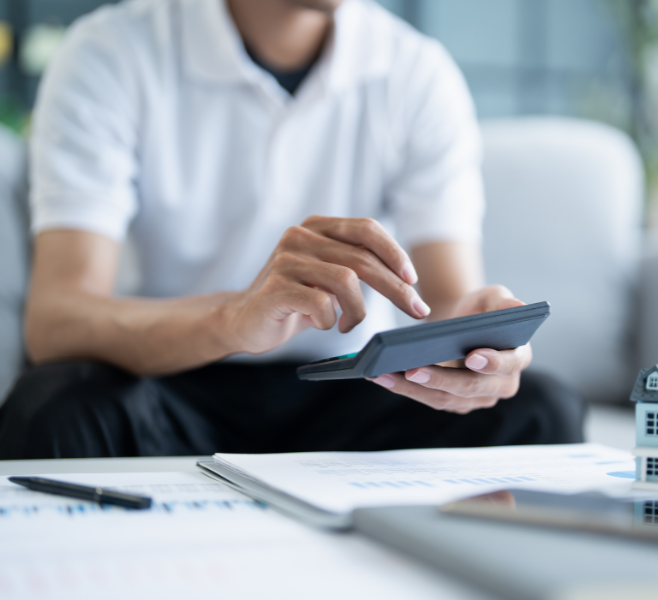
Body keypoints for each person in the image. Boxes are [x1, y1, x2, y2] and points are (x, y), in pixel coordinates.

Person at [0, 0, 583, 459]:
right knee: (52, 405)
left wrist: (476, 348)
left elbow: (452, 298)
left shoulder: (416, 71)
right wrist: (233, 319)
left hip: (353, 389)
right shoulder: (111, 51)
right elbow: (56, 320)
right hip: (175, 374)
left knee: (540, 407)